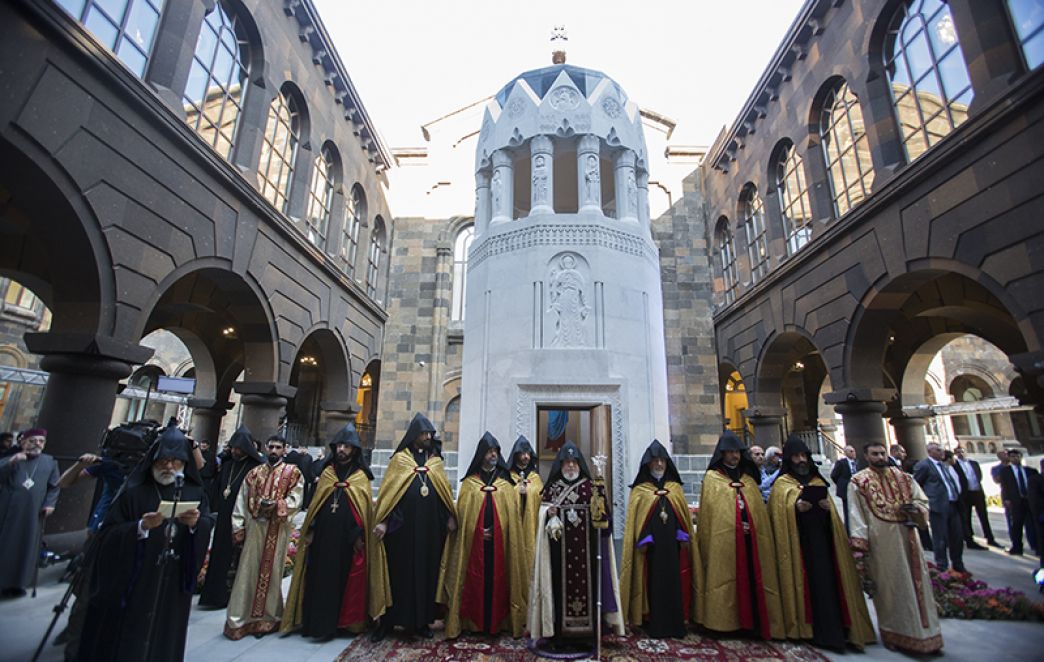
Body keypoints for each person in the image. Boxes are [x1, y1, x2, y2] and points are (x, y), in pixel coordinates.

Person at [77, 426, 212, 661]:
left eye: (176, 461)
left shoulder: (195, 492)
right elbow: (107, 534)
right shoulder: (133, 492)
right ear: (153, 460)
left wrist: (195, 526)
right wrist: (140, 528)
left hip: (170, 578)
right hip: (136, 577)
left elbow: (205, 525)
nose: (169, 467)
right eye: (163, 461)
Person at [768, 437, 874, 652]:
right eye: (796, 456)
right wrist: (795, 508)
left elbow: (834, 518)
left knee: (832, 585)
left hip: (825, 546)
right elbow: (778, 515)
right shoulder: (782, 484)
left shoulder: (817, 481)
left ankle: (841, 628)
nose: (801, 460)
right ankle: (807, 628)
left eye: (803, 456)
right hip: (799, 547)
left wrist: (826, 508)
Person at [369, 413, 457, 641]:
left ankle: (422, 622)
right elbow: (390, 495)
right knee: (399, 575)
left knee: (427, 575)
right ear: (414, 436)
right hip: (402, 533)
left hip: (429, 532)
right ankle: (389, 622)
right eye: (423, 433)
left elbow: (443, 494)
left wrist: (449, 516)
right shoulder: (400, 461)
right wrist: (385, 522)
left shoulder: (435, 462)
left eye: (429, 434)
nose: (428, 437)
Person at [282, 423, 375, 640]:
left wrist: (358, 535)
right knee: (319, 579)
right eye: (339, 445)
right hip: (323, 538)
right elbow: (316, 504)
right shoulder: (328, 474)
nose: (342, 450)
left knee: (343, 581)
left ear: (354, 450)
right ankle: (316, 623)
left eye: (347, 446)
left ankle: (341, 623)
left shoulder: (360, 477)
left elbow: (363, 510)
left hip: (346, 541)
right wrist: (311, 530)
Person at [528, 441, 624, 645]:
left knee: (590, 589)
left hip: (587, 555)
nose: (570, 466)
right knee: (558, 591)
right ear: (560, 465)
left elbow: (605, 522)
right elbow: (541, 517)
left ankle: (588, 636)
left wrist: (601, 511)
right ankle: (559, 634)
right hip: (558, 556)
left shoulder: (591, 488)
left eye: (574, 462)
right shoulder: (552, 489)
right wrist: (548, 514)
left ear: (580, 465)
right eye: (566, 463)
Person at [849, 441, 941, 654]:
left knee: (919, 587)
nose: (880, 457)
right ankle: (894, 633)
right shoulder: (859, 481)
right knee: (890, 588)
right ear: (866, 456)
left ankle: (928, 635)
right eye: (875, 454)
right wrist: (860, 545)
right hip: (881, 542)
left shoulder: (905, 478)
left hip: (908, 537)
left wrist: (917, 510)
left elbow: (922, 502)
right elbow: (856, 514)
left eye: (882, 453)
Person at [694, 431, 783, 640]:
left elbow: (757, 510)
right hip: (724, 543)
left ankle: (754, 621)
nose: (734, 456)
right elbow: (710, 516)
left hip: (750, 541)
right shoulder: (713, 479)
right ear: (722, 454)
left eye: (736, 452)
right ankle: (724, 622)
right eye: (730, 452)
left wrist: (750, 523)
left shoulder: (748, 480)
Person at [440, 432, 526, 639]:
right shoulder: (470, 484)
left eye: (495, 452)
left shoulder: (506, 485)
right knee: (474, 582)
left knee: (500, 581)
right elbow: (463, 517)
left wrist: (496, 532)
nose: (493, 455)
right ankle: (472, 622)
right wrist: (478, 532)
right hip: (473, 547)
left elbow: (513, 519)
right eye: (489, 452)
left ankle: (499, 622)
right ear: (481, 455)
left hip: (500, 546)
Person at [224, 435, 304, 639]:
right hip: (255, 528)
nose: (274, 451)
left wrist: (279, 505)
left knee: (272, 573)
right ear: (266, 448)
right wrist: (238, 526)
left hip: (277, 529)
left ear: (285, 450)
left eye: (278, 447)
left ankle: (268, 619)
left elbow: (296, 497)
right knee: (247, 572)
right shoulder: (254, 473)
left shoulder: (292, 473)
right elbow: (242, 500)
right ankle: (240, 619)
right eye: (271, 447)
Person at [619, 440, 700, 638]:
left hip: (673, 548)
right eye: (655, 461)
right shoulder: (641, 490)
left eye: (662, 461)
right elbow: (638, 520)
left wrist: (682, 534)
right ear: (648, 463)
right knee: (652, 584)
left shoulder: (675, 488)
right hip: (651, 550)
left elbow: (682, 516)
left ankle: (676, 624)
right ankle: (654, 623)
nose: (659, 465)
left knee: (675, 583)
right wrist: (645, 537)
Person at [198, 425, 263, 608]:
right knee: (219, 554)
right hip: (224, 517)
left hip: (244, 518)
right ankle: (213, 595)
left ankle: (233, 594)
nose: (235, 451)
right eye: (233, 447)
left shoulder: (255, 468)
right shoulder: (227, 465)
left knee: (237, 557)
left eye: (239, 448)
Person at [0, 428, 59, 597]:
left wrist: (50, 504)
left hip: (33, 513)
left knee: (26, 547)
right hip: (8, 510)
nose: (37, 445)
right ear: (23, 442)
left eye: (41, 441)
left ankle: (18, 584)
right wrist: (11, 461)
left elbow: (54, 487)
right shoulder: (12, 459)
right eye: (33, 441)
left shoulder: (50, 462)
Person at [913, 443, 965, 572]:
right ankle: (942, 565)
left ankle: (958, 564)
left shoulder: (944, 465)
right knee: (940, 537)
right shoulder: (924, 465)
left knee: (957, 536)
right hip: (938, 506)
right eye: (938, 450)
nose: (942, 452)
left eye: (942, 450)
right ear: (930, 451)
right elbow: (915, 485)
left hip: (953, 504)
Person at [508, 434, 542, 588]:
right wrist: (516, 491)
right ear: (516, 455)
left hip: (531, 526)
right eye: (522, 453)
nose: (526, 457)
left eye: (528, 454)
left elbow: (540, 495)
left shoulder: (535, 477)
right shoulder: (508, 476)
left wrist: (528, 492)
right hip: (513, 526)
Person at [997, 448, 1039, 556]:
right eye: (1012, 457)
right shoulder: (1005, 472)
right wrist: (1006, 499)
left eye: (1017, 456)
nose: (1015, 458)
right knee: (1016, 525)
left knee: (1033, 525)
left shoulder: (1030, 471)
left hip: (1030, 501)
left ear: (1020, 457)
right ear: (1009, 458)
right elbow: (1004, 487)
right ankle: (1017, 547)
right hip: (1015, 502)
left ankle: (1037, 546)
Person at [953, 446, 997, 549]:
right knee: (966, 517)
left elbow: (979, 476)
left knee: (983, 516)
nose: (960, 454)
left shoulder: (974, 463)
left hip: (977, 492)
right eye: (958, 452)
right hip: (966, 494)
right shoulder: (955, 465)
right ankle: (969, 538)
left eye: (962, 451)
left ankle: (990, 538)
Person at [829, 445, 858, 532]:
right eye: (851, 451)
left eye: (854, 451)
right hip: (846, 490)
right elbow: (834, 475)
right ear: (845, 452)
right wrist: (841, 484)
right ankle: (848, 530)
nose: (853, 453)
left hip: (856, 490)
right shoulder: (841, 462)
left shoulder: (856, 462)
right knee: (847, 511)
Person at [284, 440, 316, 508]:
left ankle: (303, 506)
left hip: (305, 478)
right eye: (300, 448)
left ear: (306, 449)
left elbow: (310, 468)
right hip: (297, 477)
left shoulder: (309, 457)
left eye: (303, 448)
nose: (302, 450)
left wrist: (312, 477)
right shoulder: (297, 456)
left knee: (304, 493)